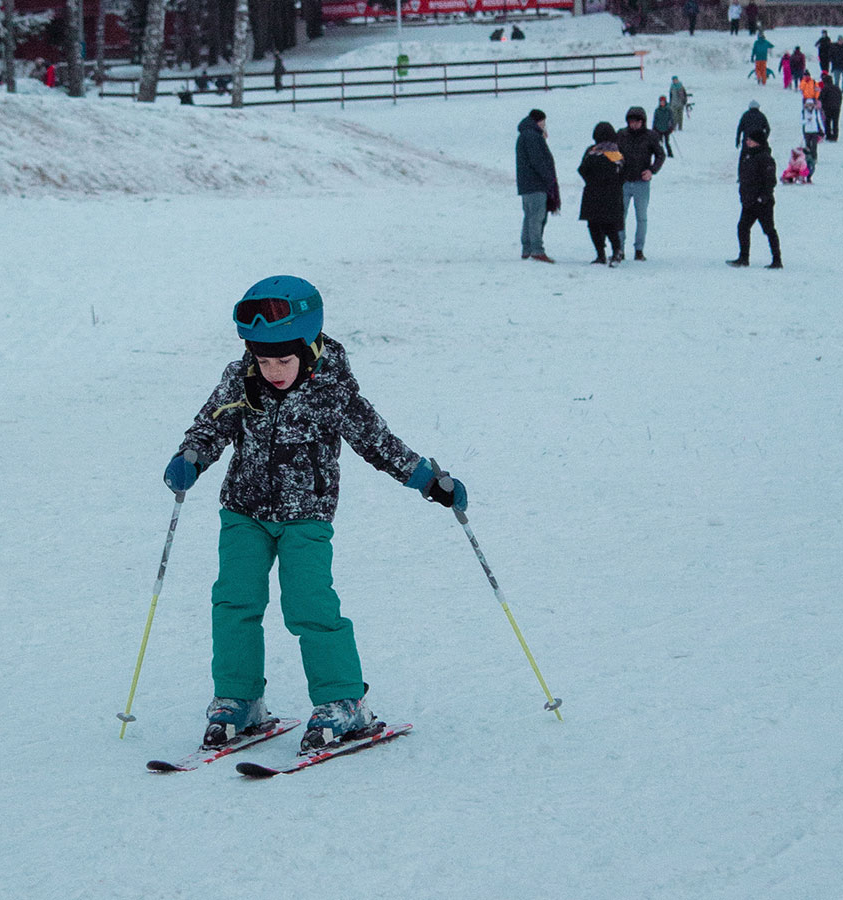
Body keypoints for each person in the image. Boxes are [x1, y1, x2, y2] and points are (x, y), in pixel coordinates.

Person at [163, 275, 468, 754]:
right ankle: (239, 699)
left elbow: (377, 441)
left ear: (307, 346)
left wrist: (428, 479)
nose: (274, 370)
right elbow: (211, 424)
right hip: (243, 510)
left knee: (309, 605)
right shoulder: (240, 377)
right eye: (264, 360)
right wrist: (192, 457)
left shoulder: (332, 389)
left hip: (306, 516)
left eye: (284, 359)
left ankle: (344, 702)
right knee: (234, 601)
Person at [615, 106, 665, 261]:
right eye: (631, 121)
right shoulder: (621, 135)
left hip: (641, 183)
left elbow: (660, 155)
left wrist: (652, 170)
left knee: (641, 217)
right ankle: (619, 249)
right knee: (620, 216)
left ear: (643, 122)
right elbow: (613, 153)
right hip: (623, 181)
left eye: (637, 122)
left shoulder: (651, 136)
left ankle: (639, 249)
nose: (634, 124)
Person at [727, 130, 781, 269]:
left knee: (769, 230)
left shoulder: (765, 158)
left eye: (750, 140)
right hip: (748, 201)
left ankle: (777, 260)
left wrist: (762, 198)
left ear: (758, 142)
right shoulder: (748, 156)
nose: (747, 142)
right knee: (742, 228)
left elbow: (770, 181)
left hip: (763, 203)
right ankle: (743, 258)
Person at [515, 108, 561, 263]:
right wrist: (549, 179)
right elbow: (538, 161)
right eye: (543, 122)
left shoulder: (525, 134)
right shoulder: (532, 136)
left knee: (529, 216)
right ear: (538, 121)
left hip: (527, 184)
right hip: (536, 184)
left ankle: (527, 249)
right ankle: (536, 250)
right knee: (537, 217)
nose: (544, 125)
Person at [577, 122, 625, 266]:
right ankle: (615, 250)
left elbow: (582, 170)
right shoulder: (616, 153)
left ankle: (601, 254)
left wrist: (592, 181)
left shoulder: (591, 151)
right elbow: (623, 173)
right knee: (609, 224)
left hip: (593, 193)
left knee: (595, 224)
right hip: (611, 194)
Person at [820, 73, 842, 140]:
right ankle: (835, 136)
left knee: (827, 121)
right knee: (835, 122)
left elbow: (821, 98)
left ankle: (828, 135)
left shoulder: (825, 88)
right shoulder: (837, 88)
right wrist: (838, 104)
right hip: (837, 108)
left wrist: (822, 106)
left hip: (827, 108)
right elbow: (840, 97)